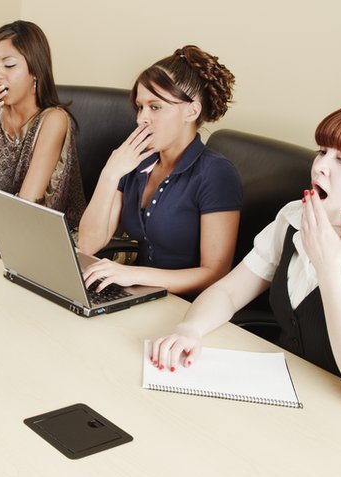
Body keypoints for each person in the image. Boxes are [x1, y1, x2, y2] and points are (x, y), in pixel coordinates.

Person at [152, 99, 341, 419]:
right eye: (322, 152)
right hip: (293, 397)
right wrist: (191, 328)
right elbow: (229, 291)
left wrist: (331, 273)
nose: (321, 167)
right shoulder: (296, 216)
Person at [78, 46, 241, 298]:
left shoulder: (215, 173)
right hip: (139, 294)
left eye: (155, 107)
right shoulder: (135, 161)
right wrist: (110, 173)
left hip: (186, 307)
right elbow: (88, 244)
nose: (141, 119)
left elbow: (215, 274)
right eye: (139, 107)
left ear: (191, 111)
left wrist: (135, 274)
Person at [0, 20, 85, 225]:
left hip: (46, 235)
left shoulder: (54, 120)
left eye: (9, 65)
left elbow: (24, 206)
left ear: (35, 71)